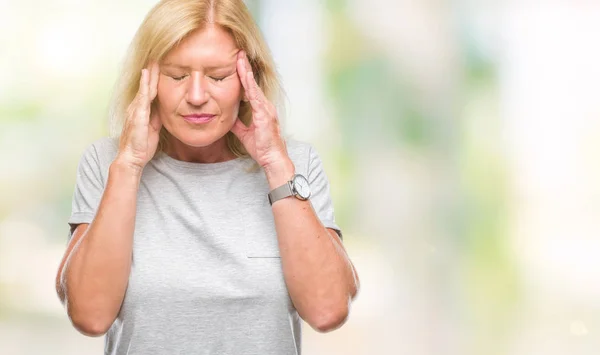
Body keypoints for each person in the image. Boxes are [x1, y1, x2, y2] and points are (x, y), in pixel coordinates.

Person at [55, 0, 359, 354]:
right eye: (177, 75)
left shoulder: (295, 165)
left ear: (250, 81)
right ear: (147, 79)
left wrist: (276, 164)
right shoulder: (109, 163)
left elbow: (328, 310)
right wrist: (130, 164)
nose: (197, 96)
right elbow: (90, 316)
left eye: (217, 77)